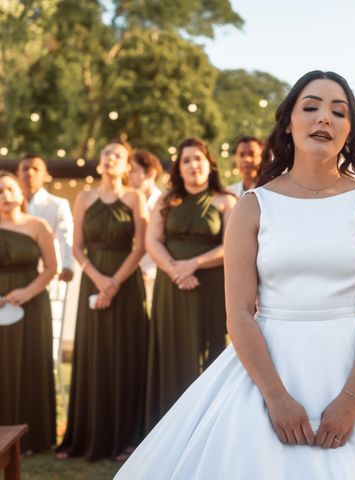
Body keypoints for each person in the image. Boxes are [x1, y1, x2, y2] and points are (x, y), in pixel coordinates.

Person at [115, 70, 355, 479]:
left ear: (350, 130)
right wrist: (275, 397)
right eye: (311, 107)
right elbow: (240, 313)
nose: (324, 118)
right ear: (288, 122)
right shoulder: (253, 205)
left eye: (339, 111)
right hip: (266, 364)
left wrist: (352, 399)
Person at [58, 140, 149, 461]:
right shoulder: (84, 197)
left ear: (126, 166)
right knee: (94, 353)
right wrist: (99, 280)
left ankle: (128, 438)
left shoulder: (135, 197)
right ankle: (85, 436)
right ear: (99, 163)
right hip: (92, 280)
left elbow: (141, 246)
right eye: (106, 154)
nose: (110, 158)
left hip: (126, 283)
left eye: (117, 156)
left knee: (126, 354)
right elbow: (77, 247)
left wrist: (114, 284)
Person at [144, 137, 236, 431]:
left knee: (210, 349)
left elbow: (231, 246)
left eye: (198, 158)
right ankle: (168, 426)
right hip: (171, 287)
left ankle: (208, 426)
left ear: (210, 164)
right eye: (186, 160)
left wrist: (193, 264)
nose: (193, 165)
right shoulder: (166, 200)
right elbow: (152, 241)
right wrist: (175, 270)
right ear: (178, 168)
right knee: (172, 349)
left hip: (210, 285)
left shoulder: (226, 201)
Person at [0, 171, 57, 453]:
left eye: (10, 189)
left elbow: (50, 267)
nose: (5, 195)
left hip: (32, 302)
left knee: (31, 363)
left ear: (21, 194)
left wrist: (26, 292)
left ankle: (34, 437)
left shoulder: (38, 226)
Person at [17, 155, 74, 282]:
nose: (30, 173)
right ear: (18, 173)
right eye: (25, 169)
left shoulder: (58, 205)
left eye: (35, 169)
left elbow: (65, 237)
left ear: (45, 174)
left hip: (48, 273)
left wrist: (67, 265)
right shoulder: (8, 206)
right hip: (15, 271)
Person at [128, 150, 164, 298]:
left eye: (134, 171)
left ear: (150, 174)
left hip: (153, 277)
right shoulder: (128, 201)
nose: (129, 176)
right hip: (128, 275)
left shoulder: (163, 205)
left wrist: (149, 271)